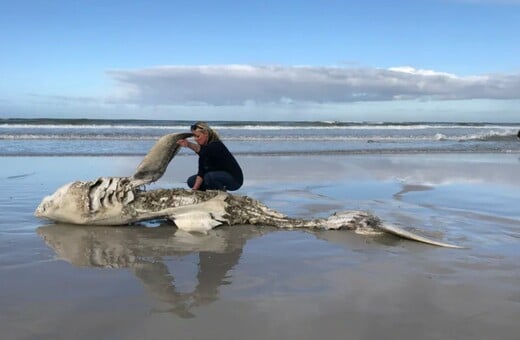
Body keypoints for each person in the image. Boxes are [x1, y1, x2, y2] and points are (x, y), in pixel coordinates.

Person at [176, 122, 243, 191]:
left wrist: (188, 144)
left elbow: (203, 150)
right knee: (191, 181)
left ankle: (221, 191)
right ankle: (208, 191)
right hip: (217, 176)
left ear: (206, 134)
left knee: (209, 177)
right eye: (194, 136)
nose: (195, 139)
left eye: (198, 136)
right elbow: (201, 171)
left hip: (234, 181)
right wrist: (194, 189)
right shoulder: (204, 149)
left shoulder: (216, 145)